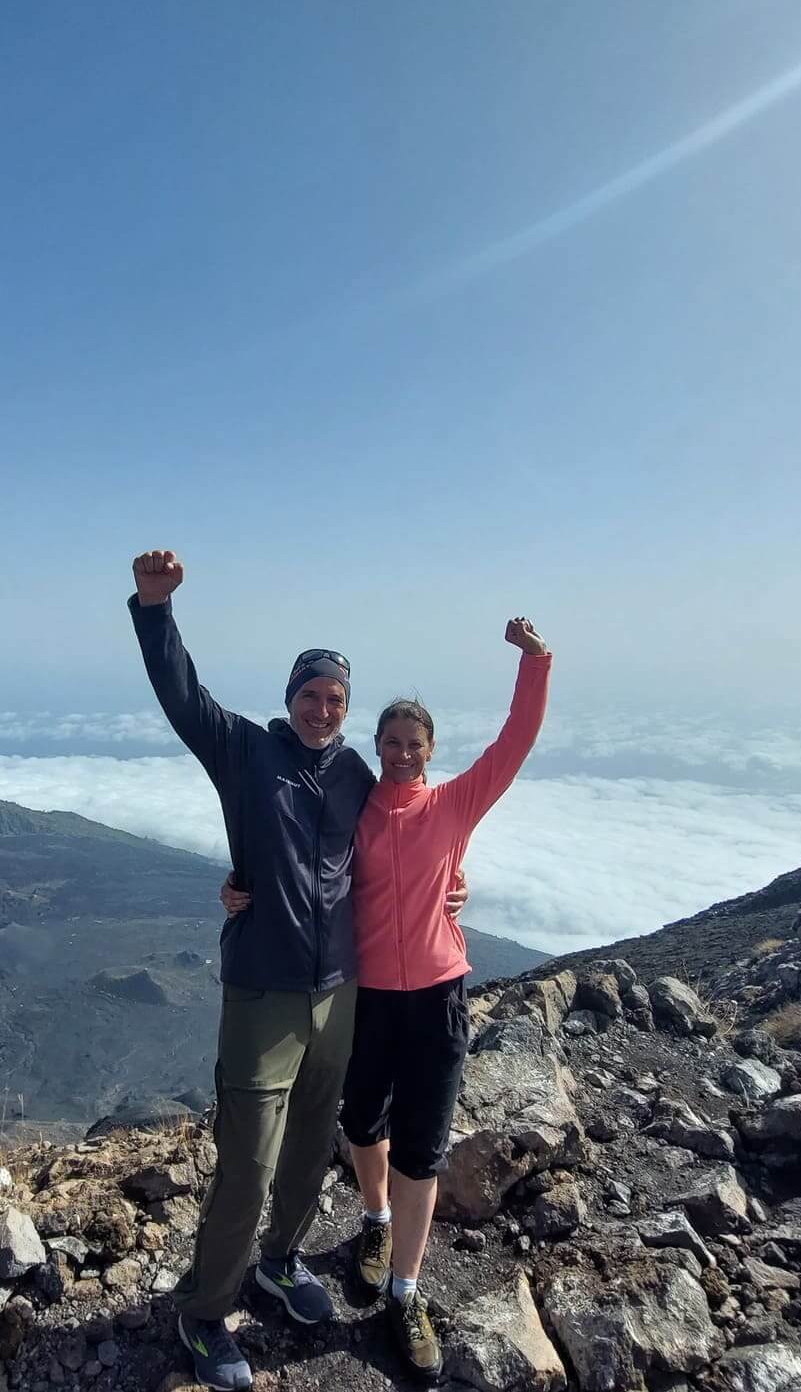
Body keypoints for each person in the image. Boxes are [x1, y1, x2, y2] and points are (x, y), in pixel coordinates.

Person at [126, 549, 467, 1392]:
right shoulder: (245, 751)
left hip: (339, 991)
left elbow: (405, 834)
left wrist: (453, 882)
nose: (322, 708)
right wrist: (156, 610)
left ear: (347, 710)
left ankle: (280, 1259)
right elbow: (184, 698)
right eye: (311, 694)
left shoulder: (353, 772)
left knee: (314, 1145)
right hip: (264, 991)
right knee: (248, 1160)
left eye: (336, 699)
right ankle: (204, 1310)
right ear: (290, 698)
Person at [222, 616, 551, 1381]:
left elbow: (515, 741)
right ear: (376, 747)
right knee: (363, 1121)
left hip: (437, 996)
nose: (403, 752)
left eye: (415, 743)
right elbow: (295, 852)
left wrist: (535, 663)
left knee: (423, 1144)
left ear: (431, 750)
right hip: (366, 994)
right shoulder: (359, 805)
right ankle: (374, 1217)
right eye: (392, 741)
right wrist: (240, 886)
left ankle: (405, 1289)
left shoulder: (455, 805)